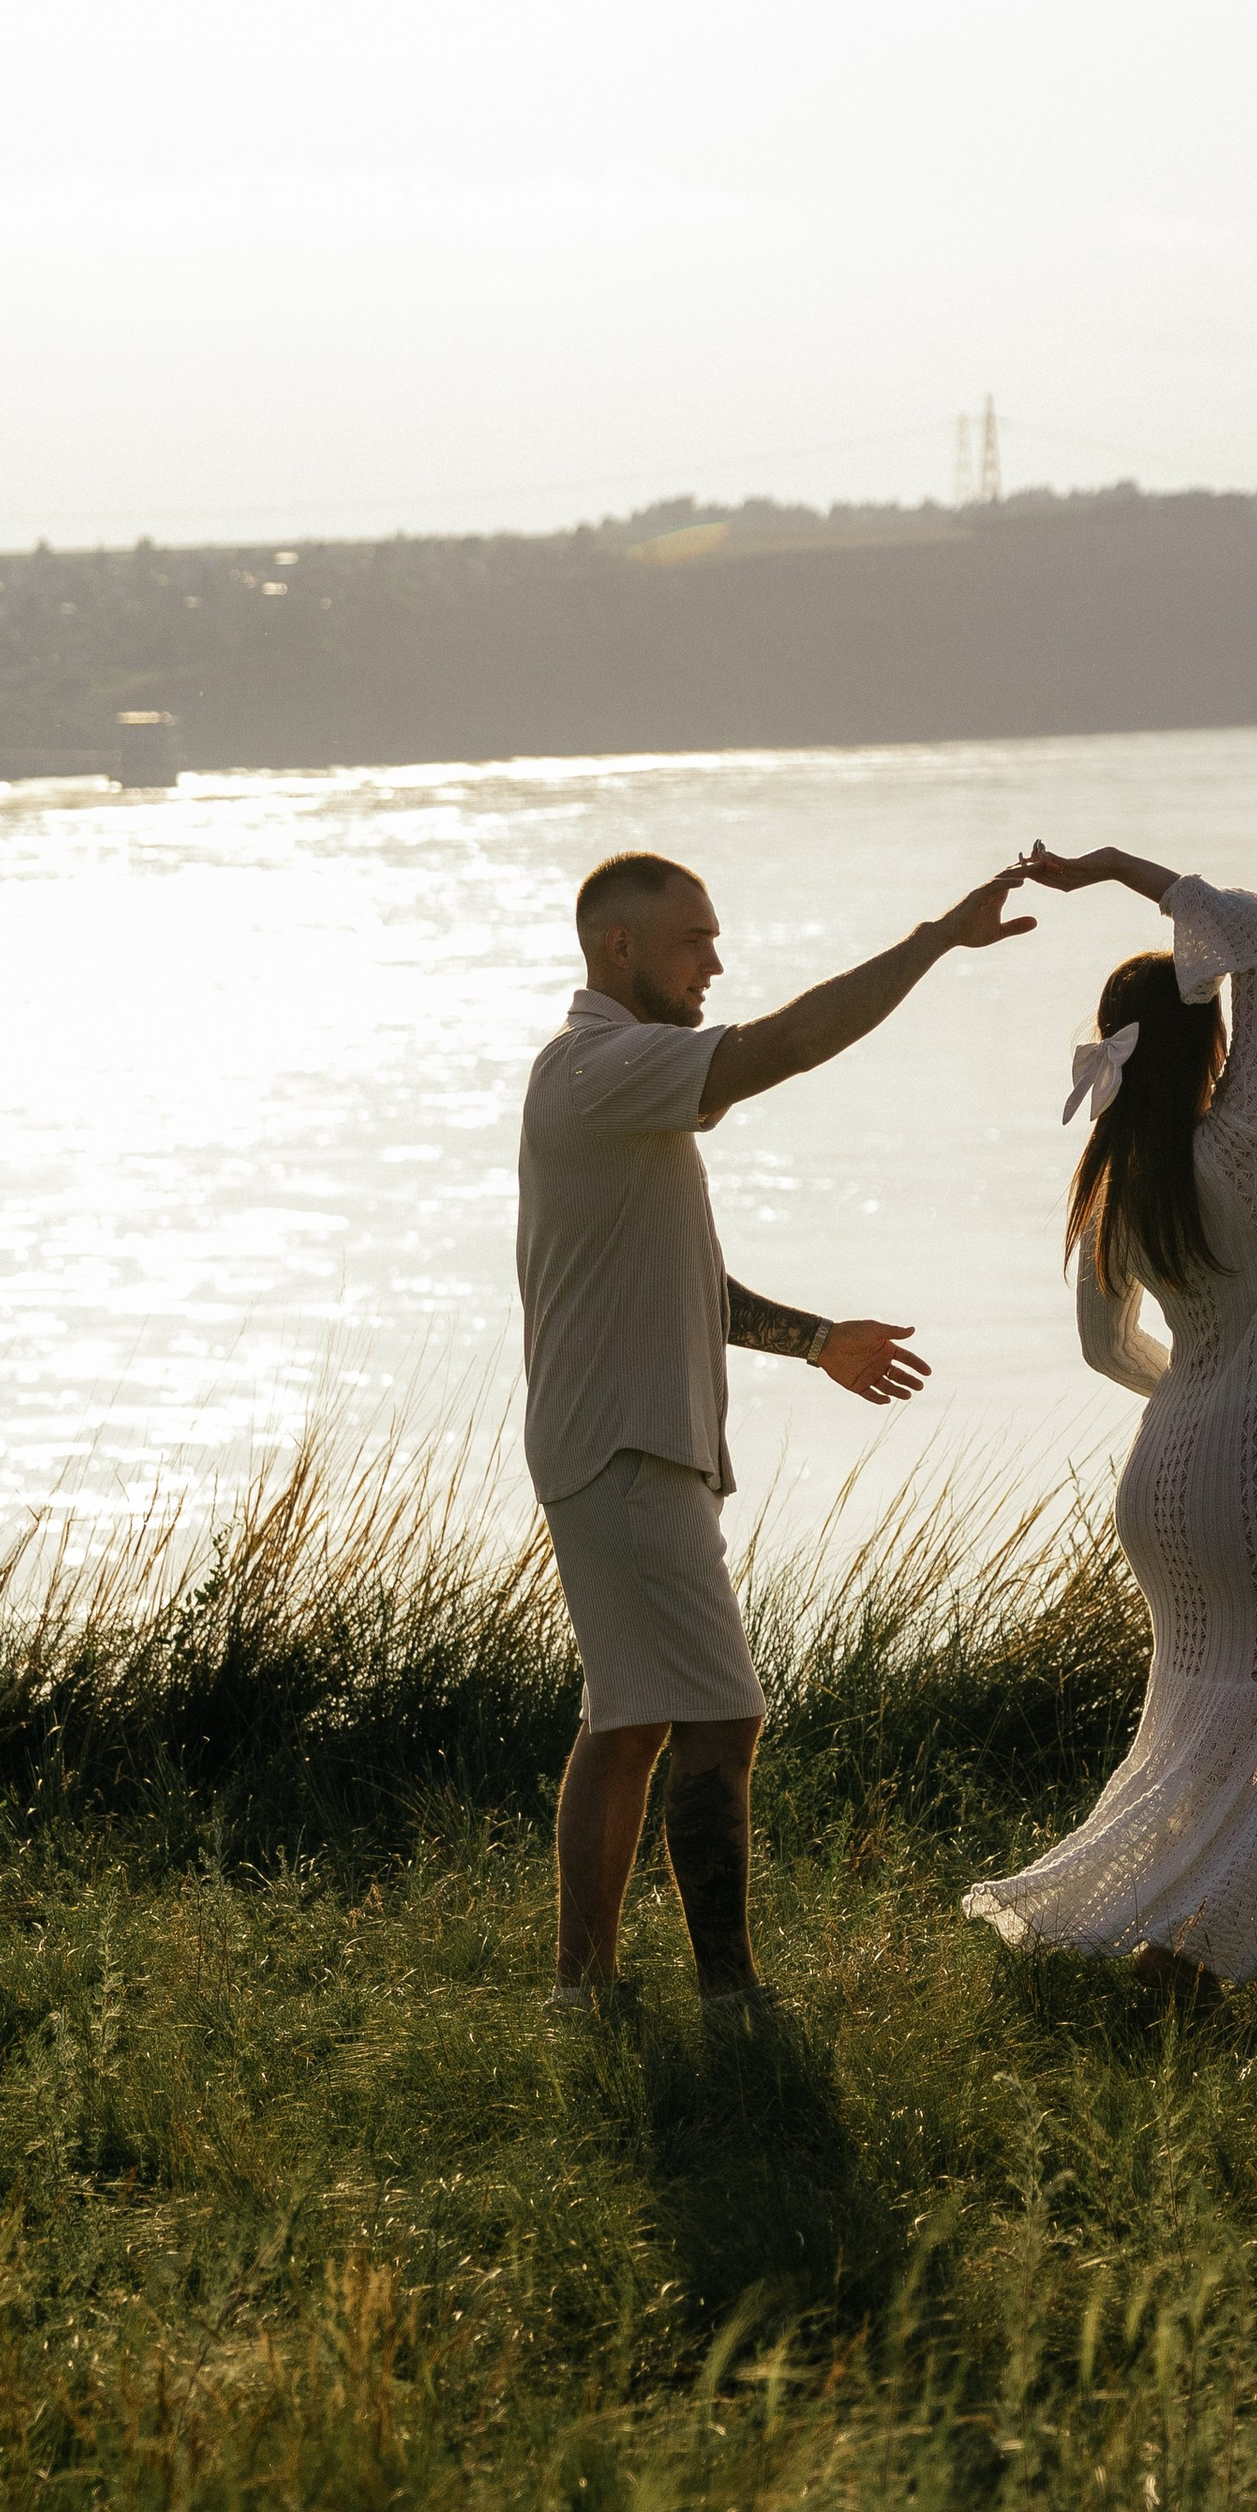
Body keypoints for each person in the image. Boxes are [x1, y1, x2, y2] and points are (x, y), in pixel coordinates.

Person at [520, 845, 1035, 2016]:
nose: (713, 959)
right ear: (619, 950)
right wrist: (930, 941)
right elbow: (776, 1047)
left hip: (615, 1448)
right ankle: (728, 1996)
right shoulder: (601, 1065)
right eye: (692, 938)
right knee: (722, 1714)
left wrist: (816, 1342)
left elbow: (687, 1283)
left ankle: (584, 1991)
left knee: (630, 1721)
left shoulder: (605, 1086)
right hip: (628, 1455)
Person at [962, 840, 1257, 1992]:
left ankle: (1173, 1938)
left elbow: (1100, 1345)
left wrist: (1191, 1393)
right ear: (1204, 1033)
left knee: (1204, 1720)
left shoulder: (1118, 1172)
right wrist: (1127, 870)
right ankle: (1238, 1955)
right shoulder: (1246, 1141)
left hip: (1166, 1479)